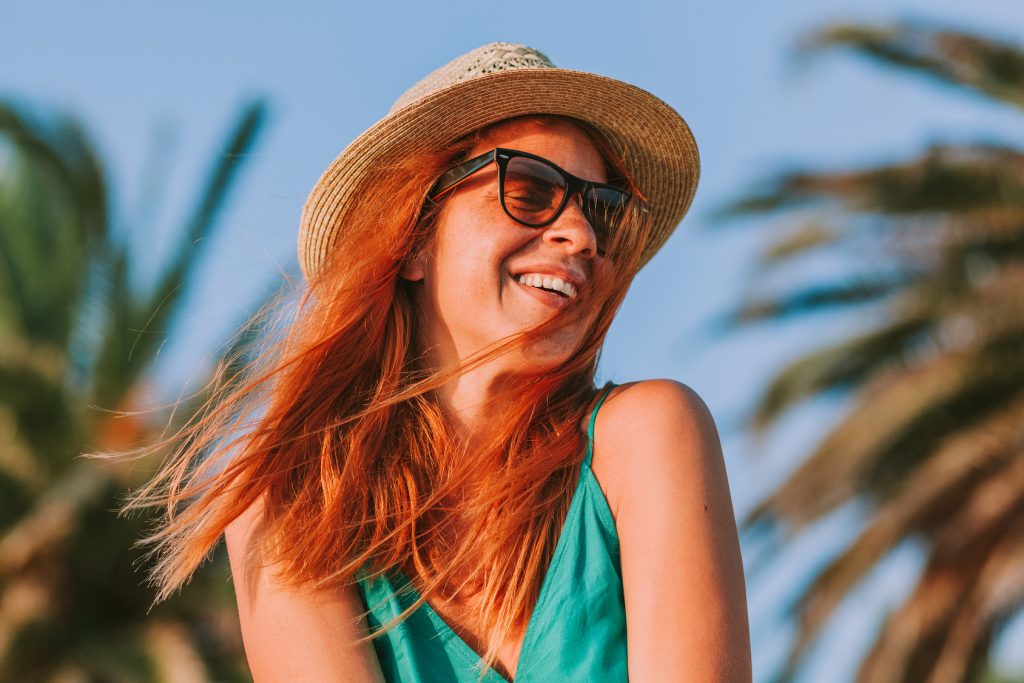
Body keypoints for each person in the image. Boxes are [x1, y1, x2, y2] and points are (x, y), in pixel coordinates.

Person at [132, 43, 751, 682]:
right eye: (532, 190)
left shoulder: (646, 434)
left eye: (603, 211)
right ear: (414, 240)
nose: (582, 235)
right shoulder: (290, 514)